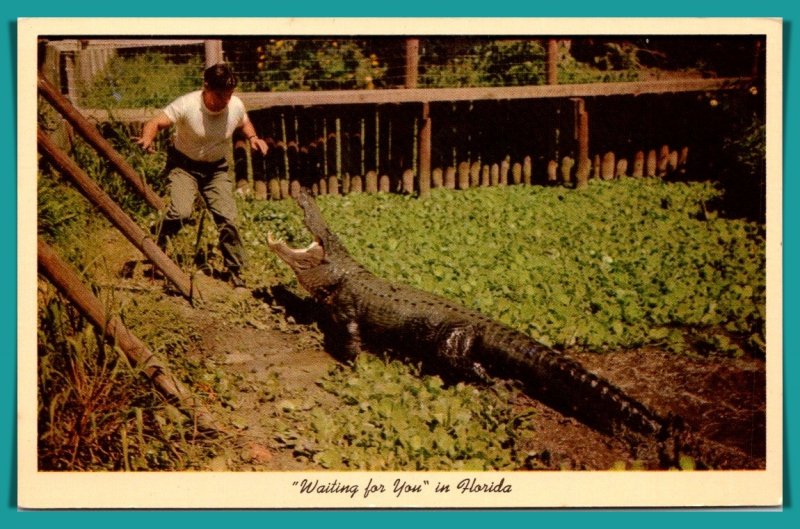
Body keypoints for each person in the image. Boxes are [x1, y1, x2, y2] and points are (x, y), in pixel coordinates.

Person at [136, 63, 268, 288]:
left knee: (228, 219)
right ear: (206, 86)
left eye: (228, 95)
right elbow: (156, 122)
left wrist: (253, 137)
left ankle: (236, 271)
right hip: (184, 167)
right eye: (219, 95)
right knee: (181, 212)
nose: (224, 101)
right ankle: (158, 241)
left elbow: (244, 121)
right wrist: (147, 138)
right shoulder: (187, 104)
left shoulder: (234, 105)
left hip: (216, 170)